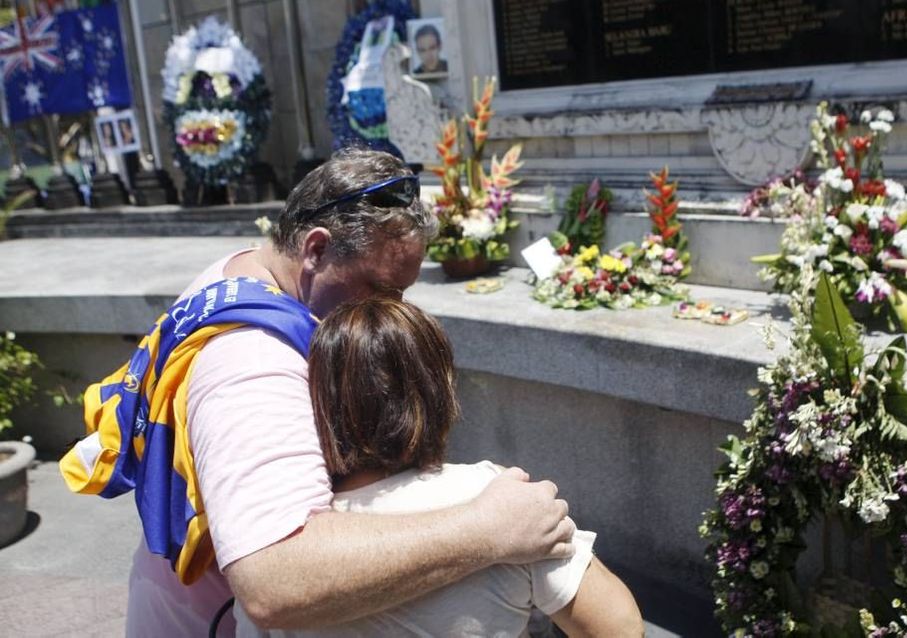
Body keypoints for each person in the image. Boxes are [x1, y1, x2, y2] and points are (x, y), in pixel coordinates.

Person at [61, 149, 576, 636]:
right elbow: (273, 579)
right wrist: (486, 530)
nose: (396, 310)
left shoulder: (246, 271)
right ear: (315, 249)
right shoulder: (254, 364)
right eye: (382, 291)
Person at [233, 297, 643, 636]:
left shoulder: (285, 539)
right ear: (438, 391)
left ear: (320, 403)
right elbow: (620, 627)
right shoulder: (498, 498)